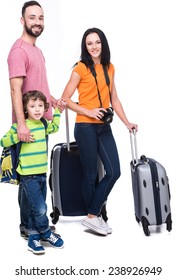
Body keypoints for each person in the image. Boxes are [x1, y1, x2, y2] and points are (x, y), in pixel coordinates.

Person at [59, 27, 138, 236]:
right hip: (85, 126)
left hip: (104, 126)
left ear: (103, 43)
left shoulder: (110, 67)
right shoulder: (80, 68)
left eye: (97, 42)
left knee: (114, 171)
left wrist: (126, 122)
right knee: (90, 174)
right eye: (89, 43)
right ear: (85, 47)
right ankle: (94, 216)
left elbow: (115, 98)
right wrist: (89, 111)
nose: (94, 47)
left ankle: (92, 214)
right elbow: (65, 99)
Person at [7, 1, 64, 238]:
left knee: (31, 177)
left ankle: (28, 225)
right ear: (23, 21)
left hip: (41, 126)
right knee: (32, 179)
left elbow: (37, 88)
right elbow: (15, 89)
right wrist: (21, 124)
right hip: (27, 128)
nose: (37, 22)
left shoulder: (37, 51)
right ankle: (34, 228)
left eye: (40, 18)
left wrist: (53, 100)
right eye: (32, 17)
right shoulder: (19, 50)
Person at [0, 90, 64, 254]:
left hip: (42, 173)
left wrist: (58, 111)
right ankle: (46, 233)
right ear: (25, 109)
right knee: (40, 208)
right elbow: (3, 141)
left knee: (34, 206)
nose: (37, 109)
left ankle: (33, 238)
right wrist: (19, 137)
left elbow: (55, 128)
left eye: (40, 106)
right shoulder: (20, 126)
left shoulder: (43, 124)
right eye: (33, 106)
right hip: (28, 175)